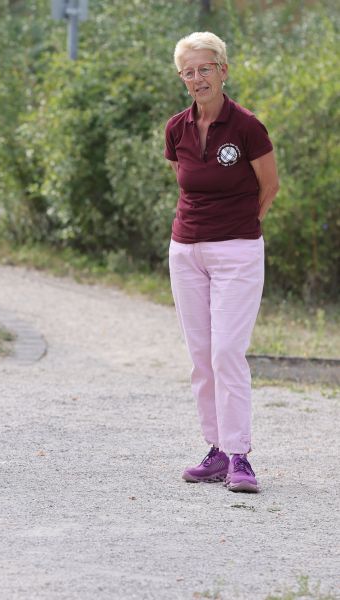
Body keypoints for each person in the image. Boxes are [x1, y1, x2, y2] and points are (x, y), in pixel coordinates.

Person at [165, 32, 279, 493]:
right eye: (189, 71)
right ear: (183, 78)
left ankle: (240, 456)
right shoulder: (176, 128)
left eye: (205, 68)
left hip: (237, 251)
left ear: (222, 70)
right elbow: (185, 183)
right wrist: (201, 232)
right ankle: (214, 450)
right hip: (186, 250)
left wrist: (236, 229)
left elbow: (268, 187)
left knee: (227, 352)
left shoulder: (248, 126)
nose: (198, 78)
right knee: (200, 356)